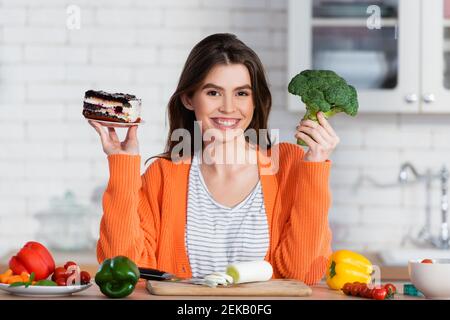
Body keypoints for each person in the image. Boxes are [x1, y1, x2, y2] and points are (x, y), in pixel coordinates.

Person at [89, 33, 340, 285]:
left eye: (241, 93)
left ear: (255, 101)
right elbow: (122, 272)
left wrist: (316, 167)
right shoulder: (163, 175)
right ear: (189, 99)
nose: (229, 108)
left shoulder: (290, 166)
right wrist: (122, 165)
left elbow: (303, 274)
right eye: (213, 93)